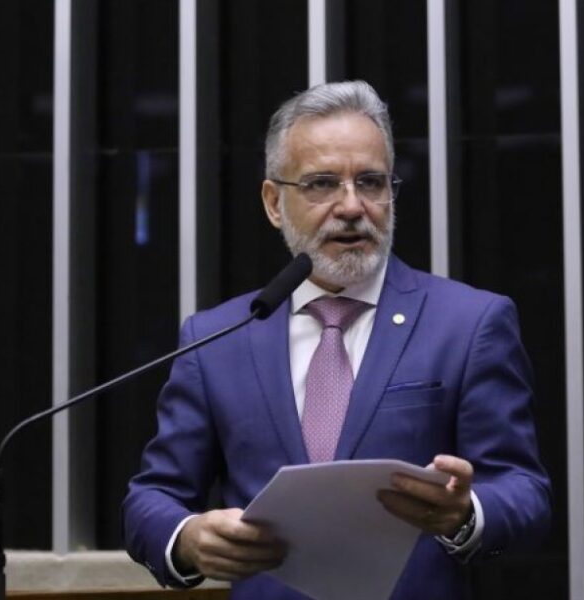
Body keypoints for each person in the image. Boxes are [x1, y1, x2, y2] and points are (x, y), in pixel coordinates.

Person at [123, 80, 550, 599]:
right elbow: (153, 495)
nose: (351, 206)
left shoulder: (469, 323)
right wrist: (187, 538)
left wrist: (466, 514)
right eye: (322, 184)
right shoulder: (217, 338)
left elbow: (524, 491)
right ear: (274, 202)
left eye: (370, 182)